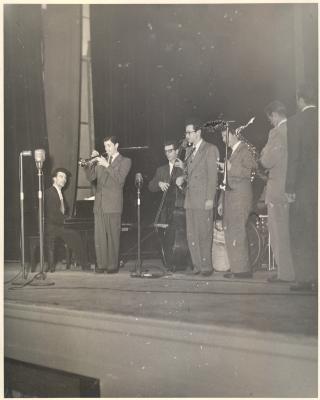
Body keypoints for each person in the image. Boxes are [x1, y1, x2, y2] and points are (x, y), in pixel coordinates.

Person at [176, 119, 219, 276]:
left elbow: (213, 177)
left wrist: (210, 198)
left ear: (198, 132)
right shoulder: (188, 151)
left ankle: (206, 266)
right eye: (186, 133)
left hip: (203, 199)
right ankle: (197, 265)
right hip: (190, 200)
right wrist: (183, 177)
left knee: (204, 233)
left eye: (189, 132)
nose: (187, 136)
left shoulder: (210, 149)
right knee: (191, 234)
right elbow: (189, 174)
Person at [286, 83, 317, 291]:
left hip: (304, 189)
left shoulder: (296, 122)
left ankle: (305, 279)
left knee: (301, 232)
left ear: (300, 99)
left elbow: (294, 158)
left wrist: (290, 188)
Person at [84, 135, 131, 273]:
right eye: (105, 146)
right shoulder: (102, 161)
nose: (106, 149)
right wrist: (89, 164)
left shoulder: (125, 161)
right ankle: (101, 265)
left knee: (112, 236)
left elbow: (120, 180)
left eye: (109, 146)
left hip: (113, 204)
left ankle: (112, 266)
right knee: (100, 237)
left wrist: (107, 165)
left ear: (116, 145)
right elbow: (91, 178)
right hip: (99, 205)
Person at [260, 101, 295, 282]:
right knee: (287, 232)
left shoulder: (276, 133)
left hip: (277, 190)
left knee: (277, 232)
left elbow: (267, 161)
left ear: (275, 114)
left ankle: (285, 274)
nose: (270, 122)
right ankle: (290, 271)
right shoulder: (293, 129)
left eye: (270, 118)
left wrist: (263, 152)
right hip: (289, 189)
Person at [218, 125, 257, 278]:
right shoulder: (232, 152)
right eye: (221, 137)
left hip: (240, 197)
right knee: (231, 232)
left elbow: (251, 170)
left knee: (238, 232)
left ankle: (243, 270)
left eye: (225, 136)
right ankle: (236, 268)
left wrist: (230, 167)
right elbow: (226, 179)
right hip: (230, 198)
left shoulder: (244, 150)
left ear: (235, 134)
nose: (223, 139)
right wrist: (221, 201)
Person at [148, 139, 185, 270]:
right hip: (166, 209)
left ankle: (182, 261)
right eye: (166, 152)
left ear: (176, 151)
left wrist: (185, 171)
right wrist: (159, 184)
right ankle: (169, 262)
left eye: (170, 151)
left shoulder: (183, 167)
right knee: (167, 237)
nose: (168, 154)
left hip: (181, 208)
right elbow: (151, 186)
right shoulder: (161, 170)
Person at [45, 168, 89, 272]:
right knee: (75, 235)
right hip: (52, 227)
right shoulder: (50, 192)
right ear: (54, 179)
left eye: (65, 177)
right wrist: (67, 220)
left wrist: (68, 220)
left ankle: (79, 261)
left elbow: (60, 213)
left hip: (58, 225)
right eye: (61, 176)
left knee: (76, 234)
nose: (64, 179)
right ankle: (84, 264)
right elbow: (53, 214)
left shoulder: (59, 192)